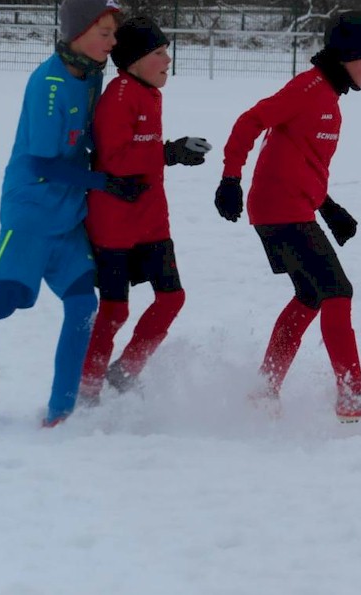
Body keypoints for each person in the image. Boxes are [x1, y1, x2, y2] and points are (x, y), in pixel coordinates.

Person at [0, 0, 148, 427]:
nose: (112, 42)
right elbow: (42, 162)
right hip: (30, 215)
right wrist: (104, 183)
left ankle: (60, 414)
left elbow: (96, 138)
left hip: (68, 216)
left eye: (114, 33)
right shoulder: (49, 84)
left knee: (82, 306)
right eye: (105, 33)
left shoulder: (93, 75)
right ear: (78, 32)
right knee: (1, 305)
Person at [214, 11, 361, 422]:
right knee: (337, 290)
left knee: (311, 296)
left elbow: (300, 163)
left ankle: (265, 389)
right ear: (349, 56)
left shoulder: (329, 99)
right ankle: (351, 393)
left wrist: (328, 207)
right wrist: (231, 178)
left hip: (292, 208)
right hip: (278, 211)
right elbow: (249, 121)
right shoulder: (307, 88)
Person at [79, 16, 212, 405]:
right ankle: (87, 388)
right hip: (115, 225)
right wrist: (170, 152)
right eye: (159, 52)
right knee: (115, 310)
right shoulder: (119, 95)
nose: (168, 59)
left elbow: (143, 154)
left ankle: (125, 371)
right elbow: (115, 159)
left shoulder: (149, 92)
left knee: (172, 298)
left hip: (152, 221)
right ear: (134, 61)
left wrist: (171, 152)